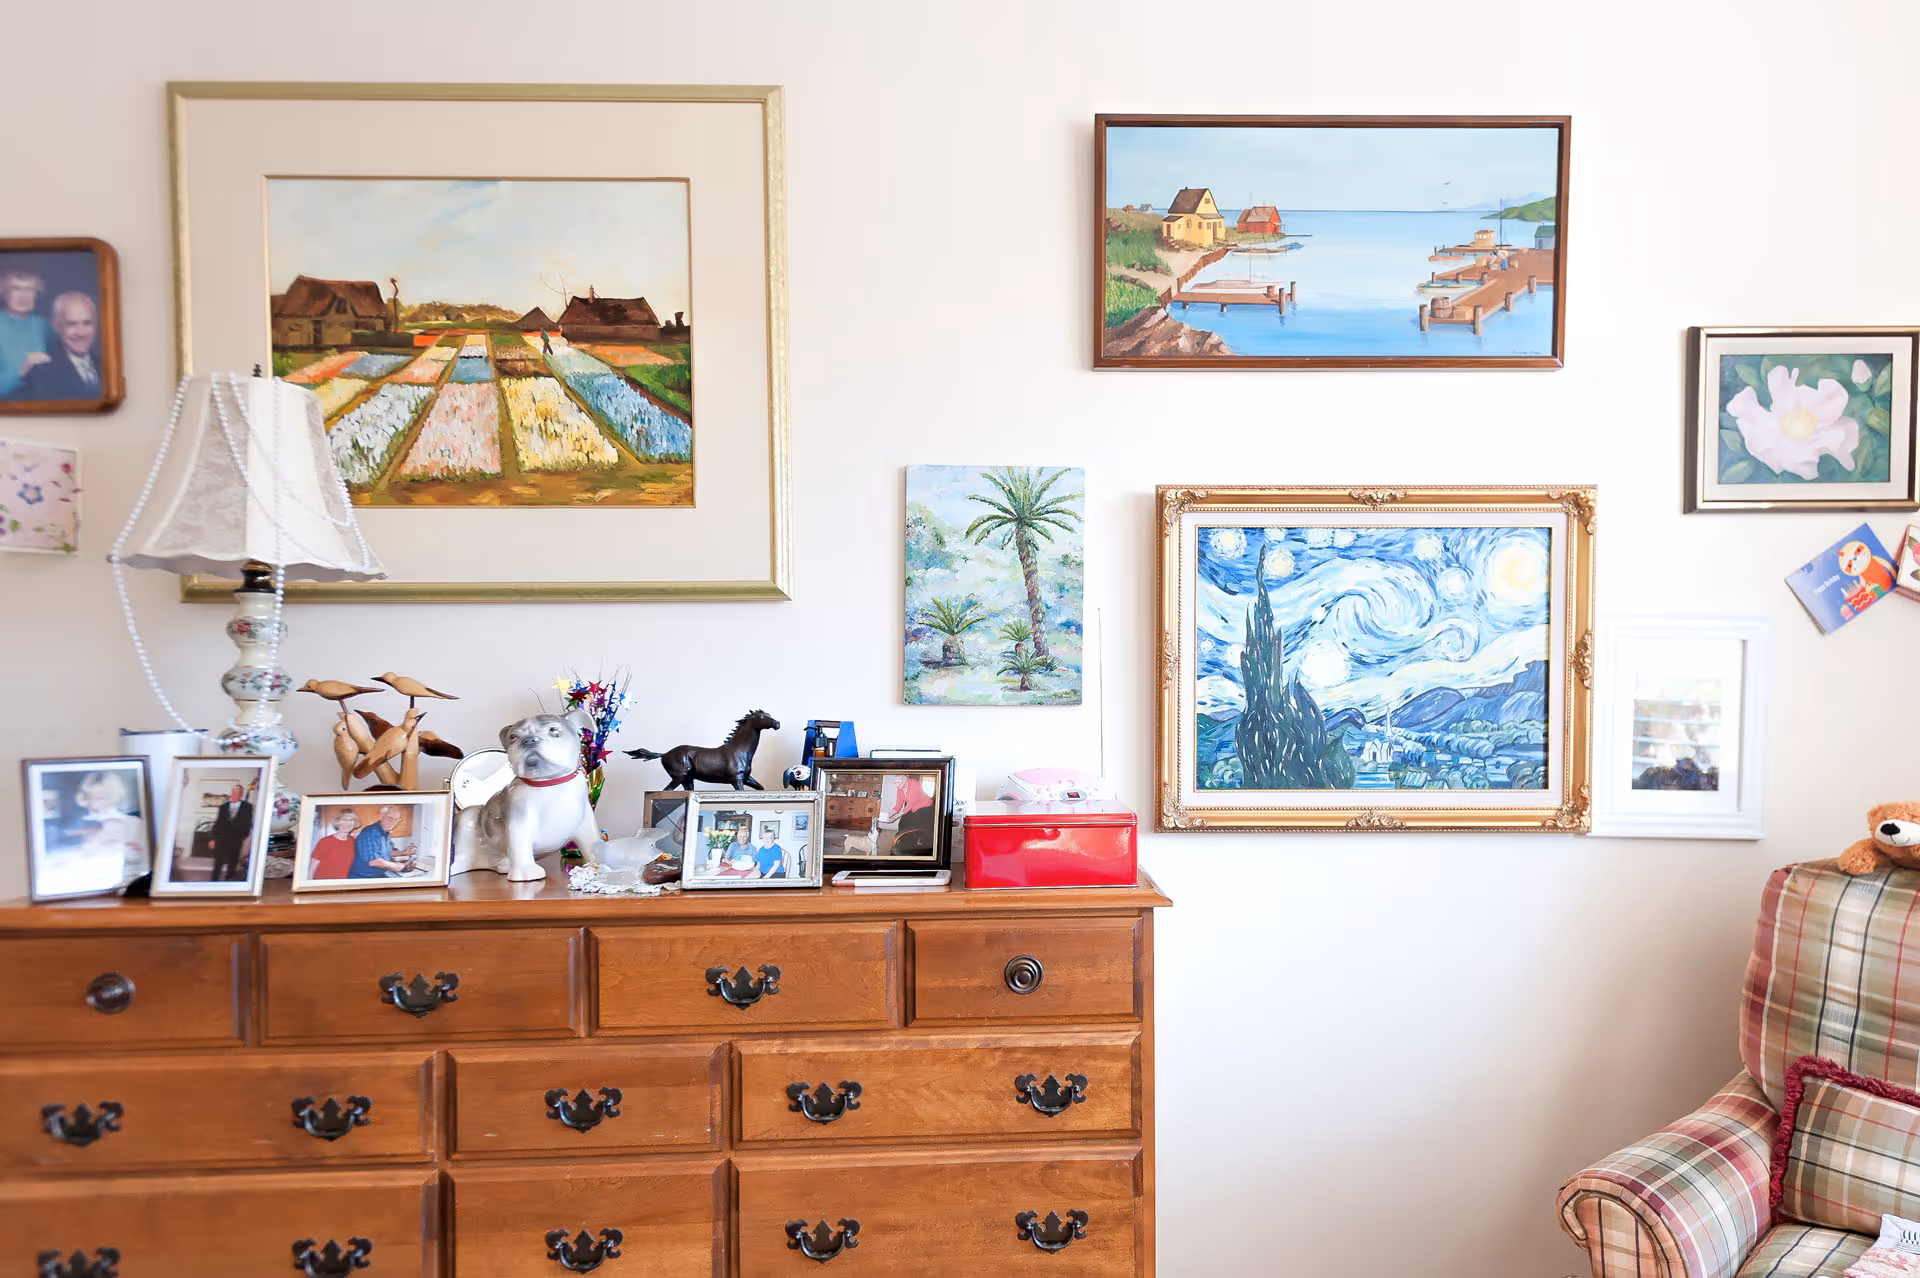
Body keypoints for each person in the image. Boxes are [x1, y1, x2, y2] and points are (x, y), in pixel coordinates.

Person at [17, 292, 101, 400]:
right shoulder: (41, 372)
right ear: (57, 326)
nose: (81, 333)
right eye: (71, 324)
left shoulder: (105, 366)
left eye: (87, 323)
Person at [0, 268, 49, 400]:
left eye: (29, 289)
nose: (23, 295)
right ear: (4, 293)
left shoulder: (44, 326)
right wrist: (21, 371)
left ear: (36, 294)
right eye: (16, 288)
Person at [349, 805, 415, 879]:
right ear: (381, 816)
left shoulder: (385, 833)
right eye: (390, 818)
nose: (393, 822)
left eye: (396, 819)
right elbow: (374, 861)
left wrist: (404, 852)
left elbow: (387, 852)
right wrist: (396, 866)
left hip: (376, 875)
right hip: (362, 878)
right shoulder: (371, 832)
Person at [207, 783, 255, 882]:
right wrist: (212, 838)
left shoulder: (247, 806)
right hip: (221, 839)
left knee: (232, 863)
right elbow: (218, 823)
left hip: (236, 839)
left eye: (237, 792)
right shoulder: (223, 806)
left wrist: (242, 837)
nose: (234, 794)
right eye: (233, 792)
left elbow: (248, 823)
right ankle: (213, 882)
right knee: (218, 862)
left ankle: (228, 882)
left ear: (241, 794)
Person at [308, 809, 362, 880]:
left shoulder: (354, 841)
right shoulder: (325, 842)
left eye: (351, 820)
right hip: (324, 884)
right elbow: (312, 868)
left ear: (355, 823)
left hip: (344, 884)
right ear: (338, 822)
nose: (347, 823)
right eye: (344, 820)